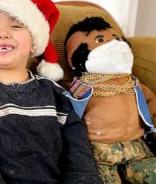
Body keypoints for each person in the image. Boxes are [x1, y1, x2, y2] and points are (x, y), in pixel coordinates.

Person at [0, 0, 102, 184]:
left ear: (34, 44)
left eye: (16, 25)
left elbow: (78, 155)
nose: (2, 33)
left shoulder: (55, 94)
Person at [64, 16, 156, 183]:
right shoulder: (83, 88)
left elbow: (151, 102)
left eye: (118, 38)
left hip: (137, 148)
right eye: (100, 40)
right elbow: (68, 115)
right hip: (99, 152)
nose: (116, 44)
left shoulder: (133, 84)